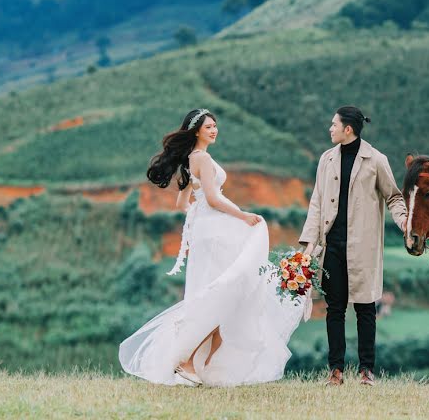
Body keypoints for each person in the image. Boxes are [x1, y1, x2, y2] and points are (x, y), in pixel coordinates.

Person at [119, 108, 304, 387]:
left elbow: (183, 205)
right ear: (196, 131)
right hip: (216, 232)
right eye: (209, 127)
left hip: (209, 231)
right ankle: (189, 361)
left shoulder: (191, 160)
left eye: (216, 126)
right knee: (223, 294)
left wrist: (200, 221)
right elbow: (214, 199)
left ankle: (196, 364)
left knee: (218, 295)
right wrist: (242, 216)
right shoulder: (202, 159)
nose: (214, 130)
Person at [299, 106, 407, 386]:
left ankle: (366, 371)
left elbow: (394, 197)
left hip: (364, 248)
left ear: (348, 129)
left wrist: (405, 222)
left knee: (365, 308)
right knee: (334, 309)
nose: (330, 128)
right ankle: (336, 370)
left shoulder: (376, 160)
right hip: (331, 245)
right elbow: (317, 201)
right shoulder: (326, 159)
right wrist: (309, 243)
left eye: (334, 124)